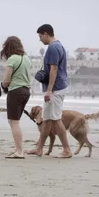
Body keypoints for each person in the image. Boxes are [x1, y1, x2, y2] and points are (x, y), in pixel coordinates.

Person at [25, 24, 72, 158]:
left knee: (56, 120)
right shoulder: (58, 45)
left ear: (46, 34)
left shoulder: (53, 47)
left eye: (40, 36)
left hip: (55, 89)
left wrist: (49, 90)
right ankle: (39, 148)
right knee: (46, 119)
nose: (40, 39)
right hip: (58, 86)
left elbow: (54, 69)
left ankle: (67, 150)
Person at [0, 36, 32, 159]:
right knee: (15, 121)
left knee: (14, 122)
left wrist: (3, 85)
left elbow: (6, 79)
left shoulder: (12, 59)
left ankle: (19, 151)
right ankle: (17, 149)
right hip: (26, 91)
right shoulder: (27, 59)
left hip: (15, 91)